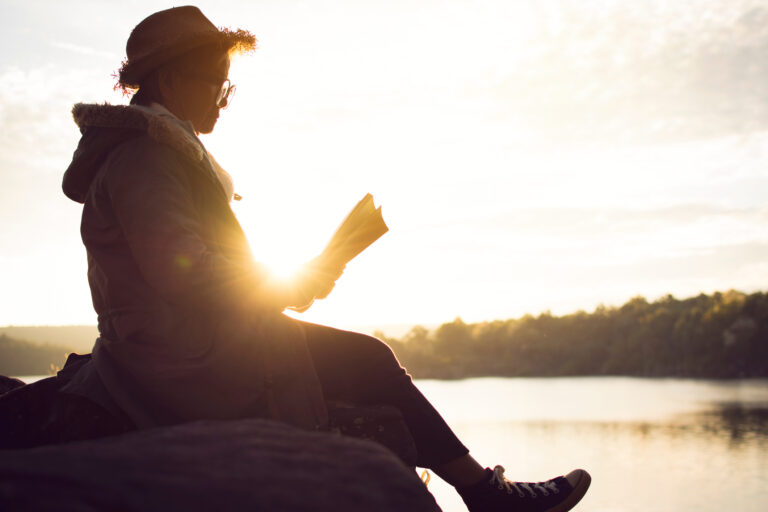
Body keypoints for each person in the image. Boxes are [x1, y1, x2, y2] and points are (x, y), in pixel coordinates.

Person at [53, 6, 589, 512]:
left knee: (364, 361)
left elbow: (198, 267)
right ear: (171, 81)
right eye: (219, 82)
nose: (224, 97)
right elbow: (182, 271)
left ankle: (483, 491)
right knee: (370, 361)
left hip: (192, 338)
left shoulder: (159, 152)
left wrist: (301, 279)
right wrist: (288, 284)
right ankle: (486, 493)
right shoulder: (145, 158)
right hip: (179, 356)